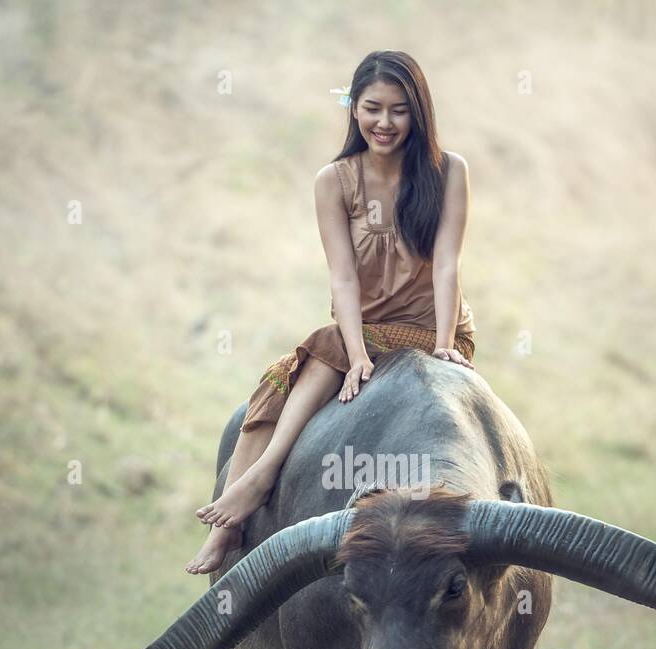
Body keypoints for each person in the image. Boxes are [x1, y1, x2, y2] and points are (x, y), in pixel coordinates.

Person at [185, 50, 477, 574]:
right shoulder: (334, 180)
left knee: (326, 353)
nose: (384, 123)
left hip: (433, 326)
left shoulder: (448, 171)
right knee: (300, 369)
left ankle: (258, 481)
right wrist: (359, 352)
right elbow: (342, 277)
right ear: (354, 110)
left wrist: (444, 344)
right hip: (360, 330)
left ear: (419, 112)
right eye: (372, 108)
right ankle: (237, 512)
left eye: (398, 110)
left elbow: (447, 267)